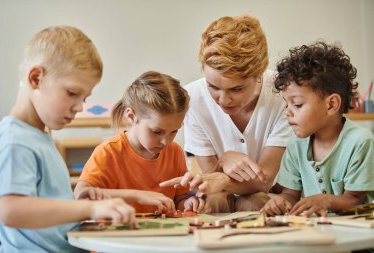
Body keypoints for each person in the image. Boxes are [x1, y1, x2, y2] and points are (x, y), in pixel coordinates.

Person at [0, 26, 136, 253]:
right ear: (36, 78)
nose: (80, 107)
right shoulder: (16, 140)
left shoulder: (38, 135)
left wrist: (74, 201)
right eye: (72, 93)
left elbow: (42, 206)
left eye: (85, 98)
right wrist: (86, 209)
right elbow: (11, 210)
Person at [162, 14, 292, 212]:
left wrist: (221, 176)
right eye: (213, 86)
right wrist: (223, 162)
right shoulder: (193, 99)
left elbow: (264, 180)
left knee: (254, 202)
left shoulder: (283, 94)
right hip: (221, 195)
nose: (223, 100)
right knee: (212, 203)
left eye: (236, 89)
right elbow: (210, 183)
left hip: (274, 193)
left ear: (259, 74)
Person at [260, 42, 374, 217]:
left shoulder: (361, 142)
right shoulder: (295, 144)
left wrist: (325, 200)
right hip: (318, 232)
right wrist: (280, 202)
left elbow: (355, 198)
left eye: (297, 104)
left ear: (331, 104)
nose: (287, 111)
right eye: (286, 103)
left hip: (358, 234)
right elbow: (290, 194)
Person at [74, 71, 211, 214]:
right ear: (132, 116)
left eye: (174, 131)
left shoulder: (175, 151)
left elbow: (179, 200)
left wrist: (189, 203)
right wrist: (136, 196)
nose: (165, 141)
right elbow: (81, 195)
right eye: (156, 132)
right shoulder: (109, 152)